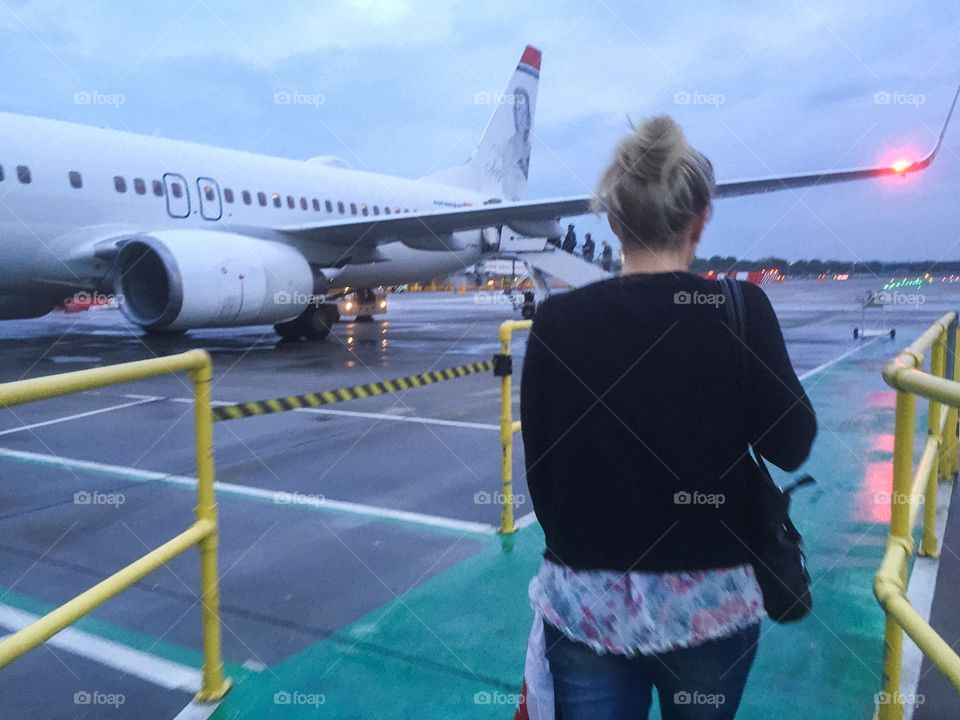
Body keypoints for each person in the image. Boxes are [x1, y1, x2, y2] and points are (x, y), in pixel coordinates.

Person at [520, 115, 816, 720]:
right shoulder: (738, 309)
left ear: (613, 220)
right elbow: (792, 442)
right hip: (707, 605)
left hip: (587, 605)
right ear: (700, 218)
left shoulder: (558, 323)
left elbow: (543, 477)